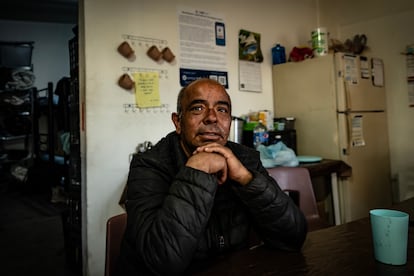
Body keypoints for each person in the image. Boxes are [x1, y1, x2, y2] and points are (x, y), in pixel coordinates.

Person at [117, 78, 307, 275]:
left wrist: (245, 178)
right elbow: (163, 261)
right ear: (178, 122)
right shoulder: (149, 165)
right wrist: (198, 170)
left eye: (222, 110)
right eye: (198, 108)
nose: (212, 118)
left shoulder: (245, 159)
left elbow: (293, 238)